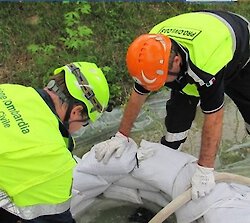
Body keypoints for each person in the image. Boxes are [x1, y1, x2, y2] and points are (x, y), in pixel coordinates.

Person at [93, 10, 250, 200]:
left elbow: (214, 117)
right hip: (198, 33)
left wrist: (205, 169)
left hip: (241, 51)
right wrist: (121, 136)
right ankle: (169, 153)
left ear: (176, 62)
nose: (159, 87)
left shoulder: (204, 65)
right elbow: (138, 94)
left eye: (161, 81)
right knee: (177, 116)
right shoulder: (152, 51)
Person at [0, 62, 109, 223]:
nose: (79, 129)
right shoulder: (54, 158)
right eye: (84, 123)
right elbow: (54, 219)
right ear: (76, 111)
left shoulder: (10, 90)